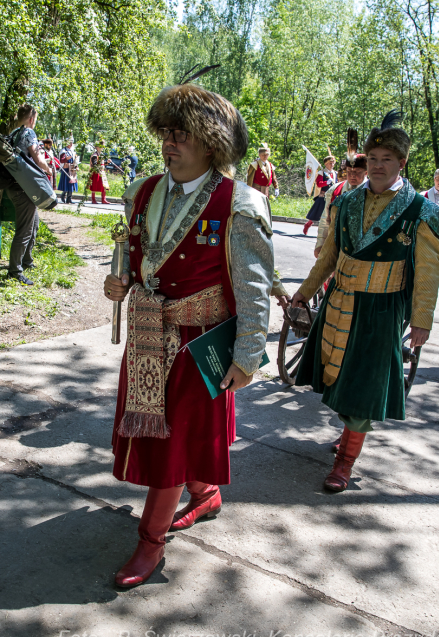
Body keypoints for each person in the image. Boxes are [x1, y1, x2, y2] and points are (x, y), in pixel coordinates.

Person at [102, 82, 274, 588]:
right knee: (168, 441)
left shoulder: (240, 204)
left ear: (211, 142)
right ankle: (205, 495)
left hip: (200, 345)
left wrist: (247, 356)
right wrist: (123, 280)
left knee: (172, 445)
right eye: (165, 132)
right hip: (148, 339)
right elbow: (136, 257)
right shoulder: (143, 191)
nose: (168, 142)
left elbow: (253, 288)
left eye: (181, 134)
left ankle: (149, 545)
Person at [290, 111, 439, 493]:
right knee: (339, 377)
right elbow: (329, 255)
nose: (378, 166)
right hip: (339, 301)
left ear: (402, 163)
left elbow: (427, 272)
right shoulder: (346, 202)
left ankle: (344, 464)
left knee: (363, 387)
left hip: (381, 309)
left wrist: (422, 320)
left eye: (386, 160)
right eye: (373, 159)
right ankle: (347, 438)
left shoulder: (422, 213)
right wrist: (304, 293)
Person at [5, 104, 53, 285]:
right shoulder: (29, 133)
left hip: (16, 186)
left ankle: (26, 261)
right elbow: (37, 157)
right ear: (32, 118)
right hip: (23, 188)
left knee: (33, 224)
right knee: (24, 230)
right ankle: (14, 271)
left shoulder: (14, 133)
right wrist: (48, 168)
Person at [314, 150, 367, 258]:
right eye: (349, 171)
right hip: (336, 246)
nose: (352, 175)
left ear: (366, 172)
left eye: (357, 172)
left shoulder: (374, 192)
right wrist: (320, 244)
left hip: (362, 250)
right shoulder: (335, 190)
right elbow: (325, 220)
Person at [303, 155, 337, 235]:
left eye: (333, 163)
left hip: (333, 196)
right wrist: (326, 182)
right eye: (330, 163)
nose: (332, 165)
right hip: (323, 196)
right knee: (318, 214)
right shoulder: (321, 173)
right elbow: (318, 184)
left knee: (331, 215)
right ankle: (308, 225)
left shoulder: (335, 173)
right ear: (326, 164)